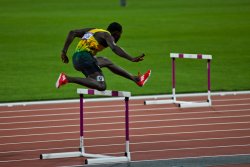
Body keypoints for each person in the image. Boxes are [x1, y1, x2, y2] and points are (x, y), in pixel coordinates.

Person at [56, 22, 151, 91]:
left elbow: (73, 32)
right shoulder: (107, 35)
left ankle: (136, 79)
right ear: (116, 33)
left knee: (106, 61)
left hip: (77, 58)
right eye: (119, 35)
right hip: (85, 58)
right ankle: (67, 78)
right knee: (101, 86)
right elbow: (114, 48)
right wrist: (131, 58)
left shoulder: (94, 30)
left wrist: (64, 51)